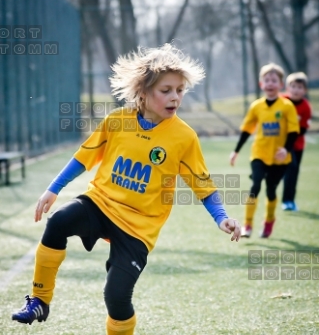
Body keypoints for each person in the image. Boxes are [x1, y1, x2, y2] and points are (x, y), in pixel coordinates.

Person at [12, 44, 241, 335]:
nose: (175, 97)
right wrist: (54, 188)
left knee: (116, 297)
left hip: (138, 228)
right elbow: (84, 156)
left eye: (180, 90)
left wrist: (221, 217)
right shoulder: (118, 120)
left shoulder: (184, 137)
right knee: (58, 222)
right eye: (166, 90)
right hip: (100, 202)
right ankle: (40, 300)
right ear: (143, 92)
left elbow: (202, 185)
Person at [230, 62, 299, 238]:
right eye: (266, 80)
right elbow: (247, 130)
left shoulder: (287, 106)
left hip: (279, 157)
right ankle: (247, 225)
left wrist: (286, 149)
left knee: (271, 190)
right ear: (261, 84)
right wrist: (236, 151)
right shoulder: (256, 106)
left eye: (274, 80)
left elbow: (293, 132)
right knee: (256, 184)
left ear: (281, 84)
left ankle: (268, 222)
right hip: (259, 153)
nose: (270, 83)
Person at [281, 72, 312, 211]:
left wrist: (293, 131)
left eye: (299, 87)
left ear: (304, 90)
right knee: (289, 169)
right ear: (287, 88)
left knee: (293, 172)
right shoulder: (281, 101)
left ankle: (289, 200)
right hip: (279, 144)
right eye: (293, 86)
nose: (296, 90)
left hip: (296, 145)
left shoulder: (305, 107)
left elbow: (304, 128)